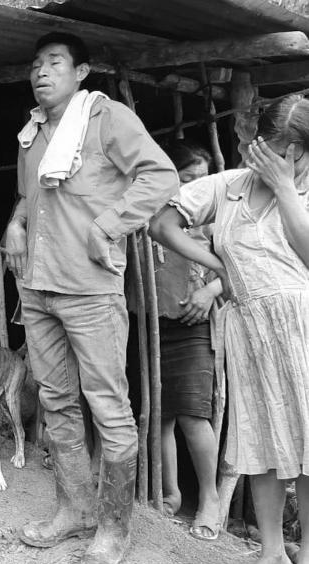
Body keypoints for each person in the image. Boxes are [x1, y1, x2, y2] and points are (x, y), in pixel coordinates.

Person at [5, 32, 179, 564]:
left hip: (91, 289)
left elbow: (161, 175)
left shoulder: (106, 118)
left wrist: (109, 225)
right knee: (56, 399)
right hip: (38, 285)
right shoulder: (32, 132)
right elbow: (29, 198)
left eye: (54, 62)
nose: (41, 72)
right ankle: (75, 508)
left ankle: (113, 528)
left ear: (81, 72)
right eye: (36, 64)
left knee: (108, 405)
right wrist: (15, 223)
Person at [150, 96, 309, 564]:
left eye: (284, 153)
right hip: (249, 329)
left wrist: (285, 188)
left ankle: (308, 557)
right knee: (260, 444)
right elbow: (161, 224)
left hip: (303, 326)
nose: (271, 161)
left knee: (308, 446)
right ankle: (272, 553)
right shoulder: (228, 187)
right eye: (265, 149)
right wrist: (218, 266)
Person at [132, 141, 222, 540]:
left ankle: (210, 500)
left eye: (203, 179)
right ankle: (170, 494)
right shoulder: (147, 208)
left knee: (192, 413)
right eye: (188, 179)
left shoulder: (215, 216)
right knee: (161, 414)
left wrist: (209, 292)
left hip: (192, 322)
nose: (196, 187)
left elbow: (237, 266)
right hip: (150, 321)